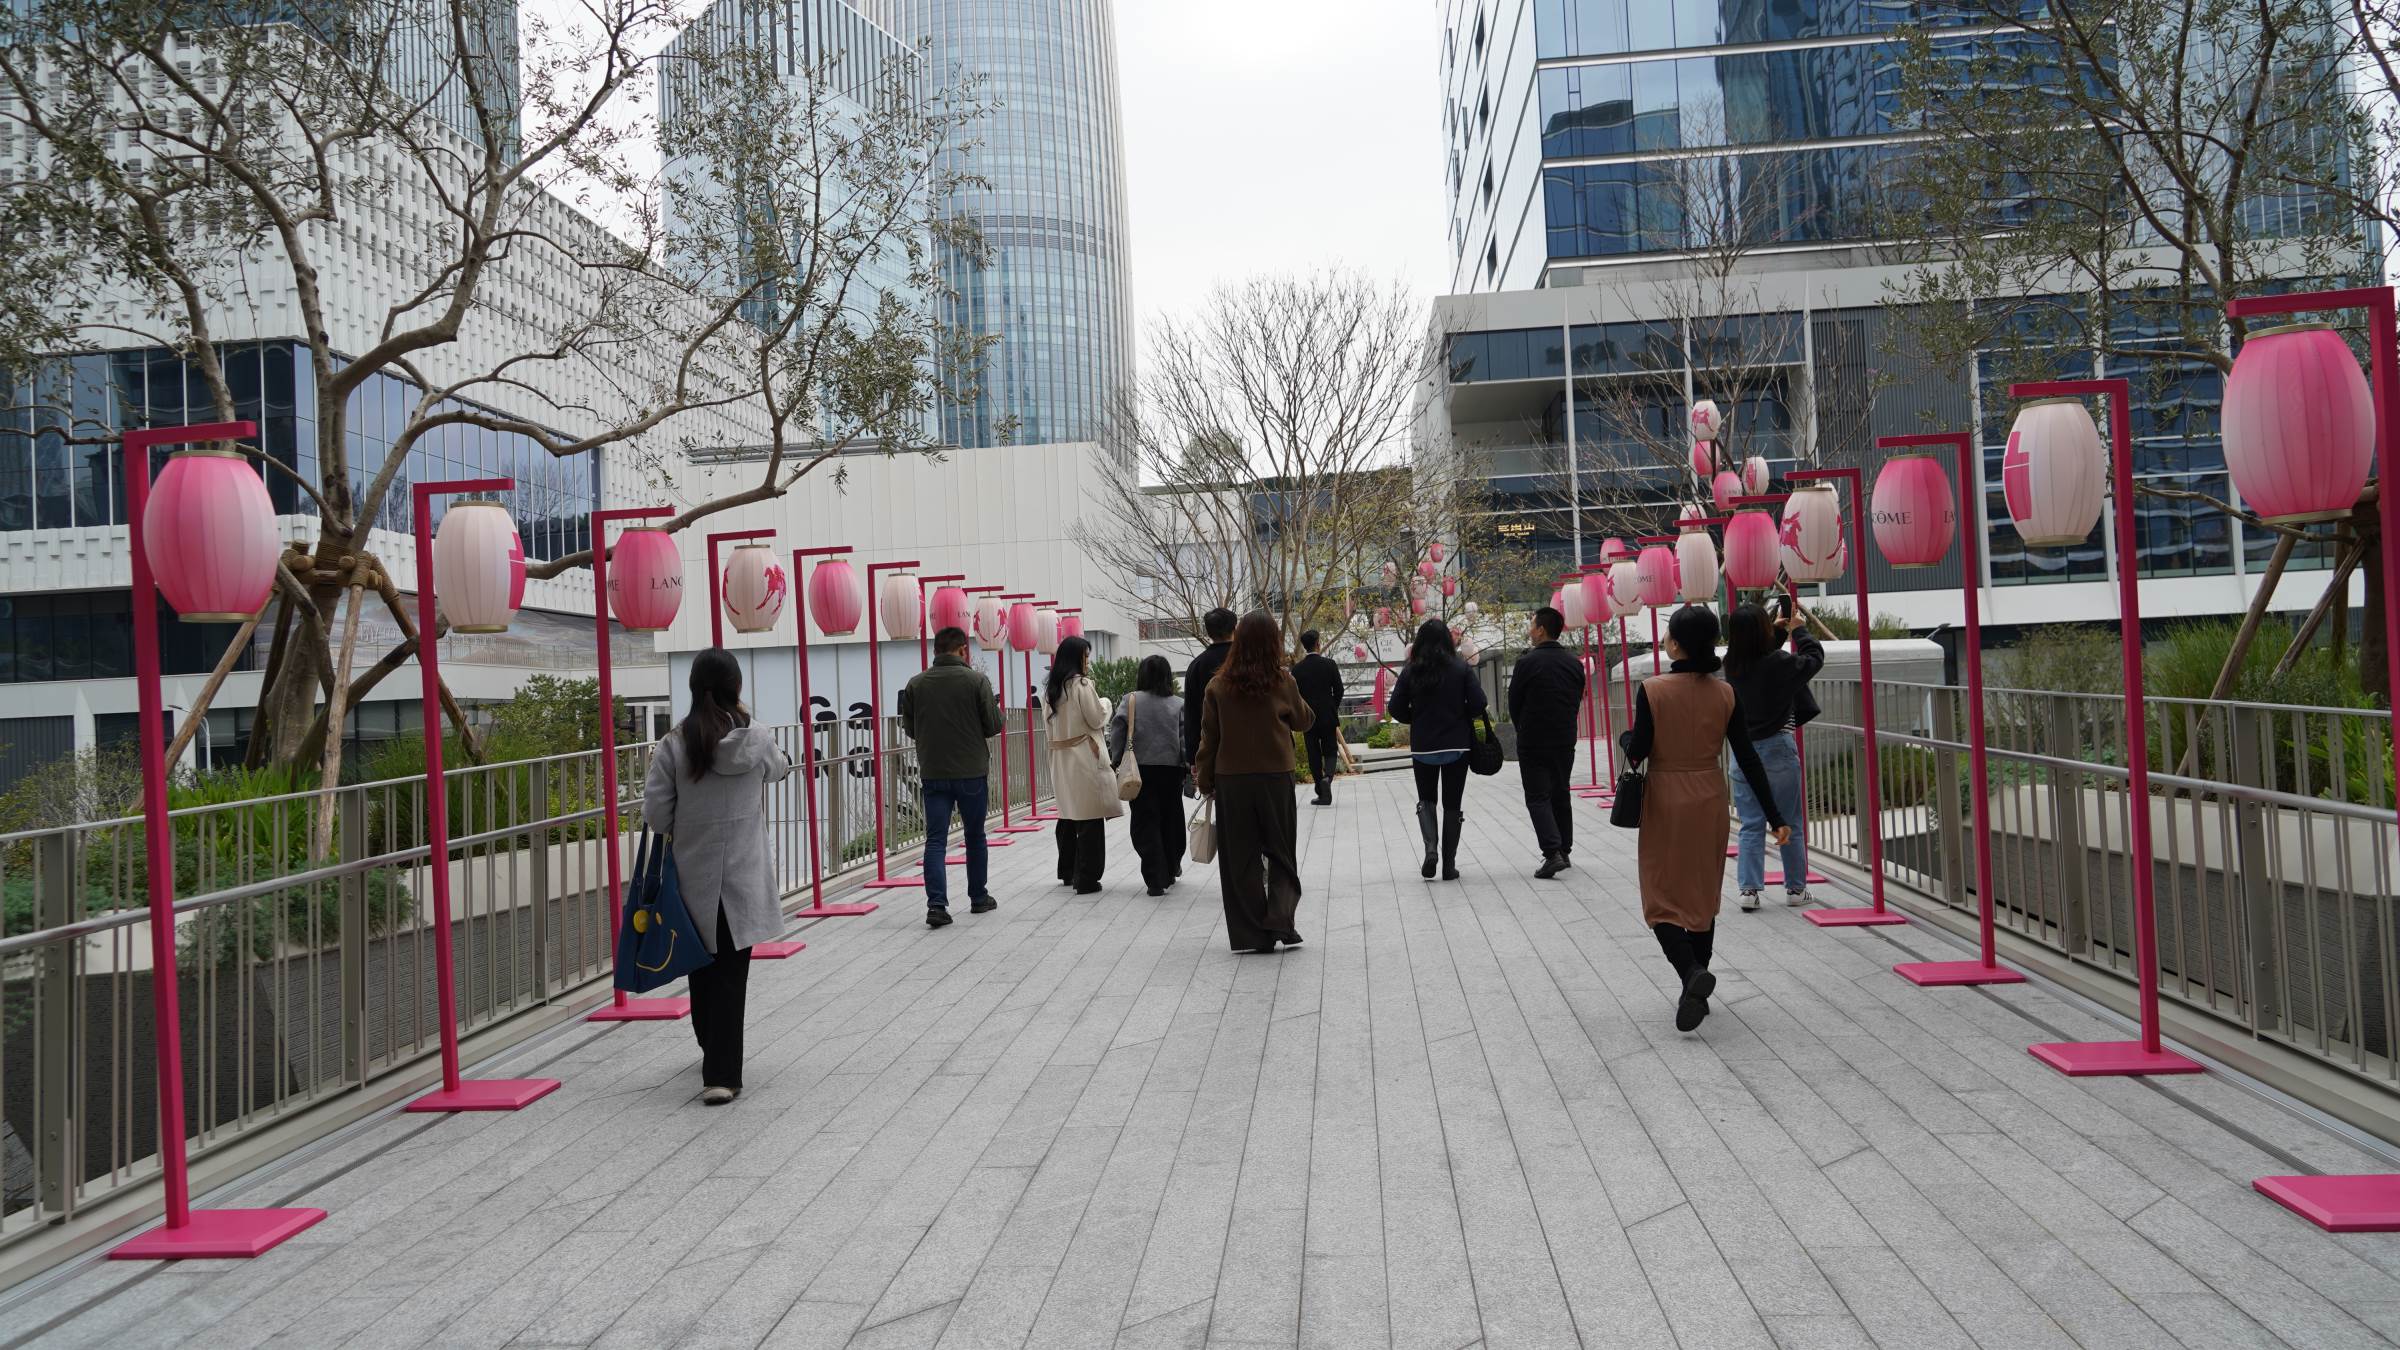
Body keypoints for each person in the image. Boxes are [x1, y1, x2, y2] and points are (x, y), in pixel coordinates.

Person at [1619, 605, 1790, 1033]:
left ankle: (1691, 973)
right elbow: (1747, 757)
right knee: (1701, 895)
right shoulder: (1726, 694)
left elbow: (1638, 750)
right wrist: (1775, 817)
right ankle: (1695, 988)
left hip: (1666, 797)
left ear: (1676, 645)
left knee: (1659, 898)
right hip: (1710, 796)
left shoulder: (1653, 690)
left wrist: (1626, 738)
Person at [643, 648, 794, 1104]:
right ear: (736, 687)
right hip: (742, 875)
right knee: (732, 974)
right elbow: (780, 769)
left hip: (694, 876)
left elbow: (656, 815)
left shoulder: (674, 744)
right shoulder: (756, 738)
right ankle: (721, 1074)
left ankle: (715, 1055)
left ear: (693, 687)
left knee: (701, 970)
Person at [1194, 611, 1314, 952]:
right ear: (1274, 642)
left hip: (1232, 780)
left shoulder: (1218, 686)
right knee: (1281, 852)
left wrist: (1205, 779)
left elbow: (1209, 739)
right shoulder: (1283, 681)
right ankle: (1280, 920)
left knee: (1240, 858)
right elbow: (1304, 721)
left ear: (1239, 639)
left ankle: (1251, 934)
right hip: (1276, 776)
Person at [900, 625, 1006, 928]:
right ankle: (978, 897)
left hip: (934, 772)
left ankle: (936, 905)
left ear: (936, 651)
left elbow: (910, 728)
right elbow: (993, 726)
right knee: (975, 836)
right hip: (971, 772)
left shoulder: (916, 684)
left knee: (935, 839)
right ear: (963, 650)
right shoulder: (977, 681)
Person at [1723, 602, 1824, 910]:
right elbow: (1814, 659)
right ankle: (1795, 889)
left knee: (1751, 823)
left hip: (1743, 752)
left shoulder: (1731, 664)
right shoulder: (1778, 663)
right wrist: (1799, 630)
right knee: (1790, 819)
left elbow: (1760, 657)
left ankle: (1749, 891)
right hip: (1779, 748)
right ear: (1762, 630)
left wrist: (1778, 633)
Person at [1388, 617, 1487, 881]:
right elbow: (1479, 703)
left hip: (1424, 747)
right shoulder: (1460, 668)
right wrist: (1460, 715)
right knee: (1452, 803)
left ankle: (1430, 849)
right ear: (1448, 641)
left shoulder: (1412, 670)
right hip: (1457, 745)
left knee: (1427, 799)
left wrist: (1416, 719)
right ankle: (1449, 865)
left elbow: (1395, 707)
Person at [1509, 605, 1587, 880]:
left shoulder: (1526, 663)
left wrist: (1522, 728)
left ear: (1541, 630)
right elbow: (1576, 699)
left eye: (1532, 625)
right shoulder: (1574, 664)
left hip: (1533, 739)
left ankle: (1552, 852)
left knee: (1537, 796)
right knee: (1561, 791)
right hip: (1564, 737)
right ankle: (1564, 849)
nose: (1530, 630)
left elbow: (1514, 703)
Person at [1044, 636, 1122, 893]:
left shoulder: (1051, 689)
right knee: (1089, 816)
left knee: (1068, 813)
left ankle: (1067, 870)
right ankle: (1087, 878)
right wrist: (1106, 703)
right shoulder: (1081, 685)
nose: (1087, 661)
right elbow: (1096, 718)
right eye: (1085, 657)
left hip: (1060, 756)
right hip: (1083, 755)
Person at [1109, 655, 1189, 895]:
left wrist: (1116, 759)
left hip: (1139, 769)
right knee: (1171, 818)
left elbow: (1118, 731)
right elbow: (1185, 738)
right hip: (1172, 769)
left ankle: (1155, 877)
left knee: (1145, 821)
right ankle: (1171, 866)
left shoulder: (1131, 700)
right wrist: (1188, 765)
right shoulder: (1178, 704)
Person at [1180, 607, 1238, 778]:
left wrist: (1193, 757)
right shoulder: (1249, 661)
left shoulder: (1196, 666)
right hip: (1251, 748)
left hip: (1212, 749)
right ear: (1235, 628)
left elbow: (1191, 715)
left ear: (1208, 632)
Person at [1291, 629, 1345, 806]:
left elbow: (1295, 697)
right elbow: (1339, 690)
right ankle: (1327, 778)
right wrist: (1332, 707)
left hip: (1308, 718)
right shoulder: (1330, 664)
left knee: (1313, 753)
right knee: (1330, 749)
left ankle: (1321, 792)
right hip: (1328, 715)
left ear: (1304, 646)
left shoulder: (1297, 670)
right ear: (1318, 644)